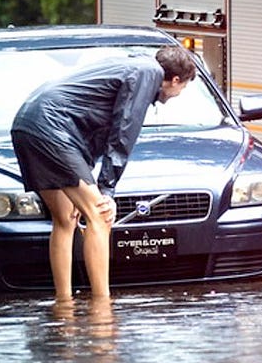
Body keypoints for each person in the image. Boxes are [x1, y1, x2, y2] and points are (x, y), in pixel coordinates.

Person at [11, 45, 198, 301]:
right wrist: (106, 189)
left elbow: (91, 128)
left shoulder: (132, 66)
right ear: (176, 79)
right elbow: (124, 129)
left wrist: (89, 177)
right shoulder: (148, 72)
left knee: (65, 219)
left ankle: (64, 303)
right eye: (183, 87)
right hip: (51, 128)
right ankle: (102, 306)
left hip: (27, 124)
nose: (178, 94)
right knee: (100, 215)